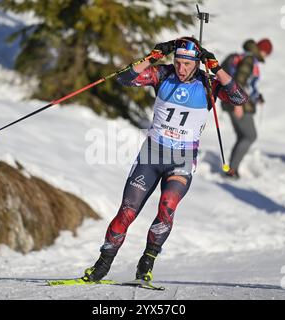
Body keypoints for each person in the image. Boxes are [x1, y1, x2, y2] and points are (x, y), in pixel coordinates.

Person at [82, 37, 248, 282]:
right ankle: (102, 265)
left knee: (166, 209)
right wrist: (152, 57)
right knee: (127, 212)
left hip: (182, 158)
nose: (181, 69)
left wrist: (216, 68)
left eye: (187, 64)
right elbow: (124, 78)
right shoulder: (162, 74)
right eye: (178, 62)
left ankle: (146, 263)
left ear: (197, 64)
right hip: (151, 155)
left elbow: (239, 99)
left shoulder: (208, 84)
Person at [220, 38, 273, 179]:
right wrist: (238, 105)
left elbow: (248, 85)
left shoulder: (247, 58)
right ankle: (231, 171)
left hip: (236, 103)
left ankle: (231, 169)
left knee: (243, 137)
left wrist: (257, 97)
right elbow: (239, 82)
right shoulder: (249, 60)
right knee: (250, 136)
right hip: (238, 105)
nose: (266, 56)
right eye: (267, 53)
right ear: (262, 50)